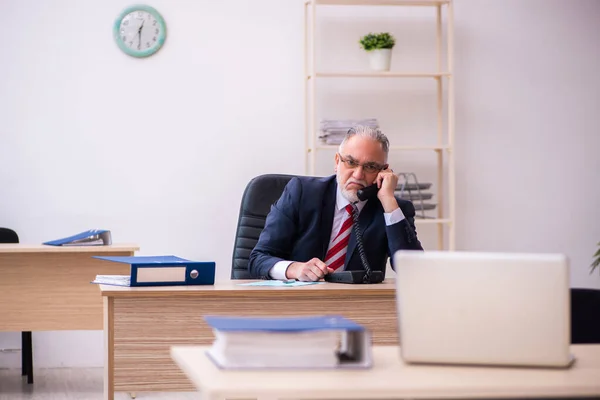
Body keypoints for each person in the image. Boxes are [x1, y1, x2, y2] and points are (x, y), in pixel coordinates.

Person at [248, 125, 423, 281]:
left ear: (384, 171)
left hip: (359, 308)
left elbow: (415, 271)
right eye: (351, 162)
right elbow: (258, 258)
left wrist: (388, 200)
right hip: (298, 304)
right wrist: (294, 269)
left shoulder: (393, 209)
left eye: (370, 167)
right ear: (337, 161)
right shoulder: (301, 193)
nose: (358, 174)